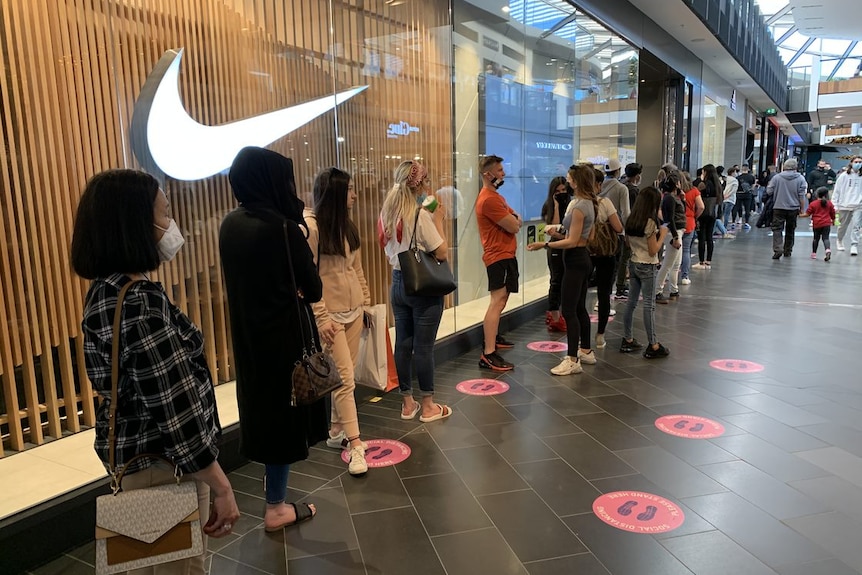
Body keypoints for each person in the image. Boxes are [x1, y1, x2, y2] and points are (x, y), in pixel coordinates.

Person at [71, 169, 240, 571]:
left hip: (138, 464)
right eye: (164, 214)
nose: (171, 226)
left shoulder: (105, 291)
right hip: (165, 472)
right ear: (134, 224)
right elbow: (175, 410)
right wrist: (222, 486)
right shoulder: (139, 304)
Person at [220, 147, 328, 531]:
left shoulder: (229, 225)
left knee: (261, 412)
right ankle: (276, 506)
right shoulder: (283, 228)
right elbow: (312, 288)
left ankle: (273, 497)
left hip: (248, 339)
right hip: (284, 341)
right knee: (284, 419)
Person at [304, 167, 370, 476]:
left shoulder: (346, 226)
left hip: (354, 310)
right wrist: (321, 317)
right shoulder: (312, 228)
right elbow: (308, 279)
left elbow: (355, 267)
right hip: (331, 317)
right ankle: (356, 443)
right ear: (334, 194)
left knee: (347, 375)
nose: (355, 195)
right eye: (350, 190)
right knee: (344, 380)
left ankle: (335, 430)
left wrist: (366, 302)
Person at [380, 160, 452, 422]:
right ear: (419, 184)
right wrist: (439, 219)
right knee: (424, 347)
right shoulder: (420, 215)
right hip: (422, 287)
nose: (429, 186)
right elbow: (441, 252)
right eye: (427, 180)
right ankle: (429, 406)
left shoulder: (387, 213)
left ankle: (407, 403)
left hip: (397, 282)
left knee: (403, 343)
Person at [526, 165, 599, 375]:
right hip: (581, 259)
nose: (567, 181)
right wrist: (559, 233)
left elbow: (573, 241)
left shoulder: (579, 207)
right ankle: (585, 350)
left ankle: (572, 359)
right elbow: (586, 237)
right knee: (579, 308)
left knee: (569, 310)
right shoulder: (589, 204)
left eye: (570, 178)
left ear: (577, 180)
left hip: (575, 261)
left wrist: (546, 244)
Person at [476, 155, 521, 371]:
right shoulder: (490, 199)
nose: (503, 174)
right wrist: (513, 218)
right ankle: (489, 352)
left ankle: (493, 339)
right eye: (500, 170)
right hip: (498, 256)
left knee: (501, 300)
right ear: (488, 174)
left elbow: (516, 218)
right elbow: (513, 225)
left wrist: (514, 218)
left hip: (504, 255)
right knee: (497, 300)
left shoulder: (496, 197)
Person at [619, 186, 670, 359]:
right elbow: (653, 249)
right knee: (649, 305)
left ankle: (627, 339)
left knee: (631, 303)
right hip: (648, 266)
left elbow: (627, 243)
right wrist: (663, 234)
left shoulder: (631, 220)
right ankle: (653, 345)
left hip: (633, 263)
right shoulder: (650, 222)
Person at [540, 176, 570, 332]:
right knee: (556, 281)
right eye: (557, 191)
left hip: (569, 247)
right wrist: (556, 206)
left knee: (568, 283)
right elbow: (554, 227)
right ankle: (554, 316)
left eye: (564, 190)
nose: (561, 193)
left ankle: (564, 314)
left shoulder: (573, 205)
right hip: (555, 248)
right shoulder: (549, 206)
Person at [766, 158, 808, 260]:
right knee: (790, 229)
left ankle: (778, 249)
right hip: (793, 208)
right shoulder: (801, 179)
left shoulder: (777, 178)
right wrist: (802, 209)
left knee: (777, 229)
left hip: (778, 207)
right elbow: (802, 195)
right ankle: (788, 250)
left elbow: (769, 191)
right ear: (796, 167)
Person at [655, 174, 686, 303]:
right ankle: (657, 291)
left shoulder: (672, 197)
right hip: (674, 232)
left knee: (675, 264)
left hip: (677, 232)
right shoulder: (670, 199)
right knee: (668, 264)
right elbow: (670, 219)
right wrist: (675, 237)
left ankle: (674, 289)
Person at [616, 163, 642, 300]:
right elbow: (630, 212)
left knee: (622, 258)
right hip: (626, 228)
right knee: (625, 258)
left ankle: (621, 284)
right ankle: (620, 286)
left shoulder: (621, 186)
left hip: (617, 226)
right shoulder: (632, 190)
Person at [693, 164, 722, 269]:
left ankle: (701, 262)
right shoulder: (717, 185)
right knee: (709, 237)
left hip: (702, 214)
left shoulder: (704, 184)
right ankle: (708, 261)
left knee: (702, 238)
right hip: (712, 214)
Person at [832, 155, 862, 255]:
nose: (858, 164)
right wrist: (835, 205)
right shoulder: (844, 176)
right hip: (844, 204)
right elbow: (837, 191)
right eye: (856, 161)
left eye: (860, 162)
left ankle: (854, 245)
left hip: (858, 205)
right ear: (851, 163)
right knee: (842, 225)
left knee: (856, 226)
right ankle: (839, 240)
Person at [679, 171, 704, 286]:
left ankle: (669, 276)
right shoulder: (694, 191)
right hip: (689, 222)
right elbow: (701, 206)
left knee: (674, 252)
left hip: (677, 221)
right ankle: (685, 276)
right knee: (686, 250)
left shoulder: (676, 191)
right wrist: (694, 215)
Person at [805, 187, 836, 261]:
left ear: (817, 194)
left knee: (816, 239)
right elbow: (833, 213)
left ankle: (814, 253)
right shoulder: (829, 203)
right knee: (826, 238)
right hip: (826, 223)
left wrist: (800, 215)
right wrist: (833, 221)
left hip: (817, 223)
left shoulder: (813, 204)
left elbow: (808, 213)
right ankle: (828, 250)